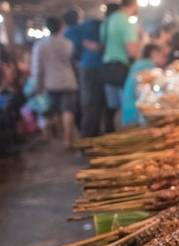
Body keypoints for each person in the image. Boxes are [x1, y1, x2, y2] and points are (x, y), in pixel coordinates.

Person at [31, 16, 78, 148]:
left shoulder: (40, 45)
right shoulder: (68, 43)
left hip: (50, 83)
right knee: (68, 110)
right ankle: (68, 139)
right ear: (61, 26)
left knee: (56, 111)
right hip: (68, 81)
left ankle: (62, 135)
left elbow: (37, 68)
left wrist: (38, 86)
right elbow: (75, 63)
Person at [66, 7, 106, 137]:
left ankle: (92, 135)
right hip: (92, 68)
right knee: (91, 104)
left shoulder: (76, 30)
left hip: (89, 68)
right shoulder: (86, 27)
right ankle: (87, 138)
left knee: (92, 103)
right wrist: (88, 44)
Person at [101, 0, 140, 125]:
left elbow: (103, 43)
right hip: (122, 69)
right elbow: (132, 51)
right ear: (133, 5)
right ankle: (126, 131)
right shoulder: (124, 21)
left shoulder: (107, 21)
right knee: (126, 104)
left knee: (114, 107)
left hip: (107, 68)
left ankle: (114, 134)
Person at [121, 44, 167, 127]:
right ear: (154, 53)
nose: (165, 59)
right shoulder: (148, 66)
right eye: (163, 56)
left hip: (128, 110)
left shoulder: (139, 64)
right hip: (136, 112)